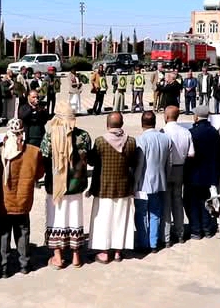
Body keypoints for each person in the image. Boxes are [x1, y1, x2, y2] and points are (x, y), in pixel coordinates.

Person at [39, 103, 91, 268]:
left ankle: (58, 257)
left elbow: (44, 158)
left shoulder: (50, 136)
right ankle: (76, 257)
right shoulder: (83, 136)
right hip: (76, 185)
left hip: (55, 186)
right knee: (75, 219)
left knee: (57, 219)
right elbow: (88, 156)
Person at [0, 118, 44, 278]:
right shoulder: (34, 152)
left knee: (4, 233)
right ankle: (24, 264)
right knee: (23, 232)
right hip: (23, 200)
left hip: (4, 201)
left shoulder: (1, 152)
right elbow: (39, 174)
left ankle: (3, 267)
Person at [87, 112, 137, 263]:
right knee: (120, 220)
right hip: (124, 188)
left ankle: (103, 252)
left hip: (103, 187)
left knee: (103, 220)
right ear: (122, 124)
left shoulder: (100, 141)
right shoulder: (131, 141)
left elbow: (92, 162)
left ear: (107, 124)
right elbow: (133, 163)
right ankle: (117, 252)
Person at [134, 111, 171, 253]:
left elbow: (139, 164)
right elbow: (169, 163)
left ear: (142, 123)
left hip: (144, 182)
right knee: (155, 213)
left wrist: (135, 183)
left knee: (141, 214)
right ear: (155, 122)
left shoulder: (141, 140)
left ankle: (144, 243)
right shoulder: (165, 138)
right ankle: (153, 243)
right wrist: (166, 178)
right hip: (160, 181)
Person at [186, 106, 220, 239]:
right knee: (206, 202)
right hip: (210, 174)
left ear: (197, 117)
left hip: (194, 174)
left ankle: (196, 230)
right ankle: (207, 229)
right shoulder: (214, 132)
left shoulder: (192, 132)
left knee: (193, 203)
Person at [161, 106, 194, 246]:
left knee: (166, 203)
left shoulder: (163, 132)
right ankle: (180, 234)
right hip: (180, 168)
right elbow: (191, 153)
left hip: (166, 169)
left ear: (166, 116)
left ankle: (166, 237)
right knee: (178, 201)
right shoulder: (186, 132)